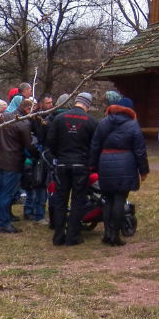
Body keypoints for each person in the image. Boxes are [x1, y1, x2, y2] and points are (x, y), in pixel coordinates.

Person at [88, 96, 148, 246]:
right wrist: (143, 170)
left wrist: (92, 166)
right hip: (125, 163)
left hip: (105, 163)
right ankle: (115, 234)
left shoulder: (103, 123)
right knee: (119, 199)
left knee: (107, 199)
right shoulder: (132, 125)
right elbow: (140, 150)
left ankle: (107, 233)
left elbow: (95, 146)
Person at [45, 93, 97, 246]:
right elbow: (95, 146)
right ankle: (73, 236)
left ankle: (58, 235)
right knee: (77, 200)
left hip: (62, 164)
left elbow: (50, 142)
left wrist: (59, 155)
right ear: (87, 105)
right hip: (81, 165)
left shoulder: (59, 119)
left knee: (61, 200)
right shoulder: (92, 121)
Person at [0, 95, 33, 234]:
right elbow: (28, 144)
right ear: (27, 109)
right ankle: (4, 223)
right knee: (7, 194)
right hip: (12, 161)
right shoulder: (23, 123)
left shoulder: (3, 117)